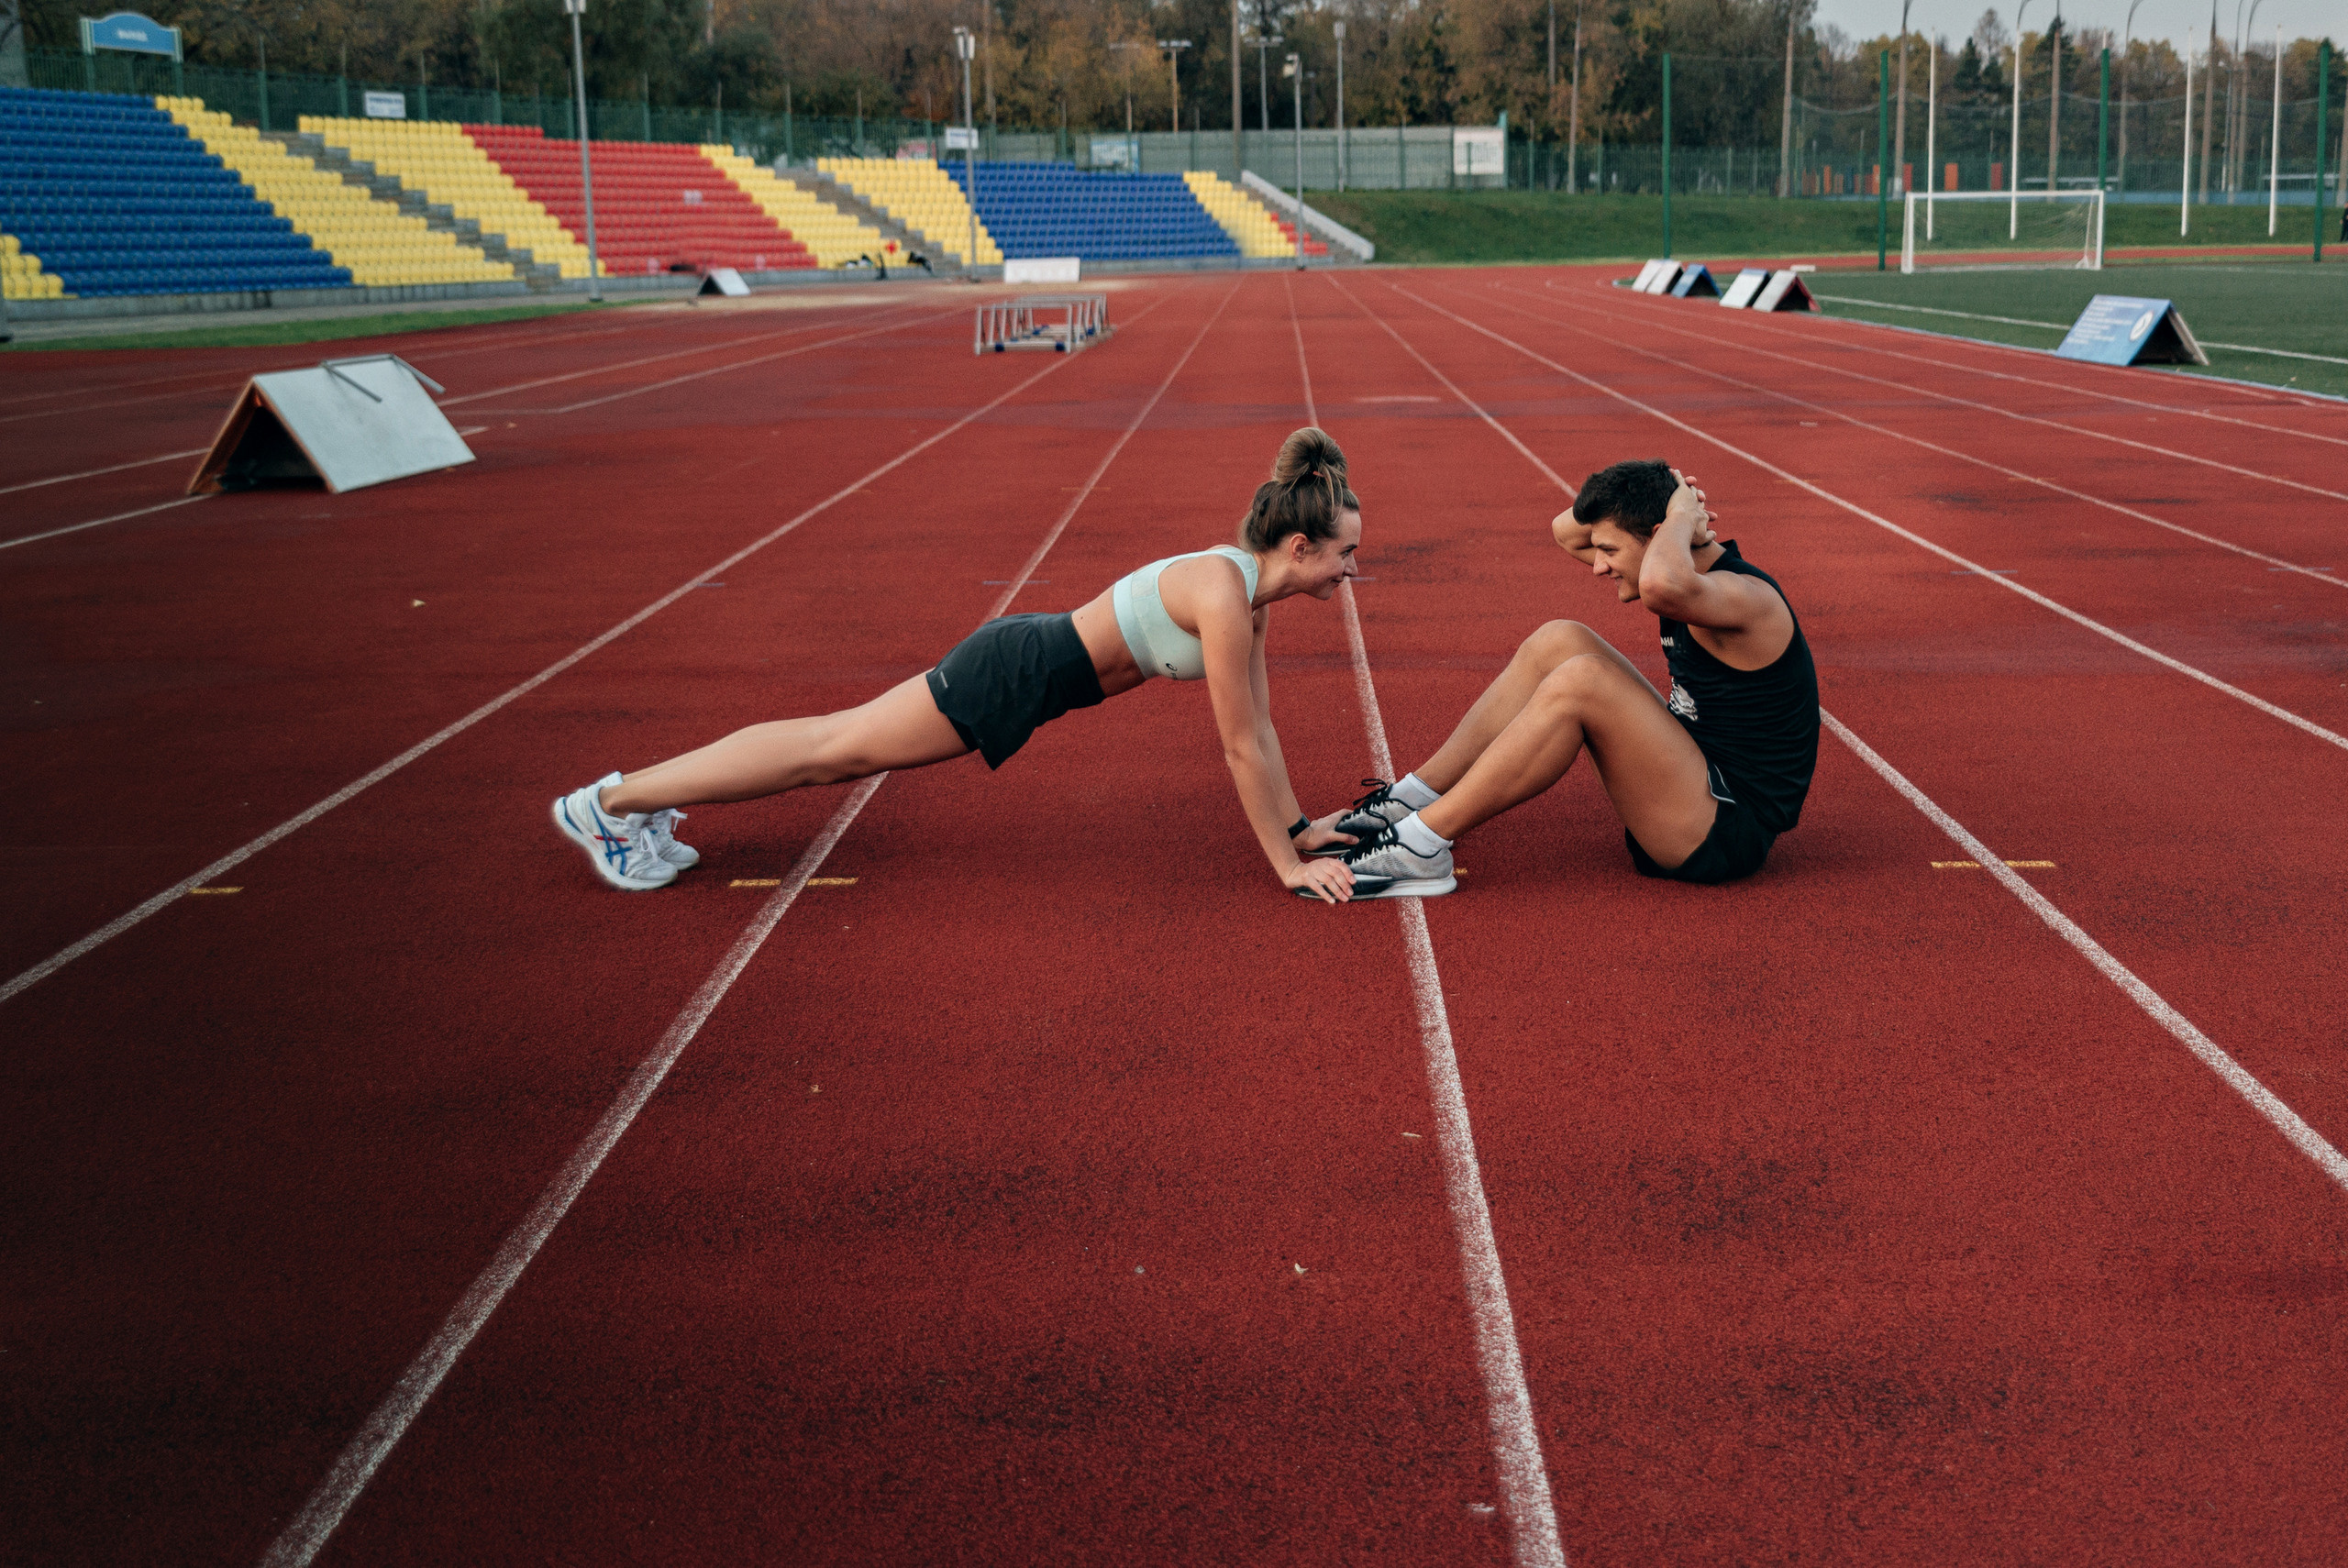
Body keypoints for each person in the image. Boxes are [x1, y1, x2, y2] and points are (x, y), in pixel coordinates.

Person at [553, 427, 1370, 902]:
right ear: (1300, 547)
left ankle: (631, 803)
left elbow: (1258, 726)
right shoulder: (1225, 597)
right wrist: (1288, 868)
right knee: (829, 751)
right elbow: (1234, 747)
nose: (1350, 571)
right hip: (1010, 672)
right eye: (1346, 555)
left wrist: (1300, 827)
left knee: (833, 749)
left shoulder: (1245, 595)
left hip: (1029, 667)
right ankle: (610, 802)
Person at [1320, 459, 1818, 898]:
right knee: (1560, 639)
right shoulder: (1678, 572)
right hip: (1694, 781)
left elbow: (1660, 584)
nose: (1597, 564)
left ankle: (1422, 846)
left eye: (1609, 550)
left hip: (1725, 828)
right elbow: (1566, 530)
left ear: (1661, 538)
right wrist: (1657, 504)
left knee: (1584, 680)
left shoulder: (1742, 597)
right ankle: (1411, 799)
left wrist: (1683, 518)